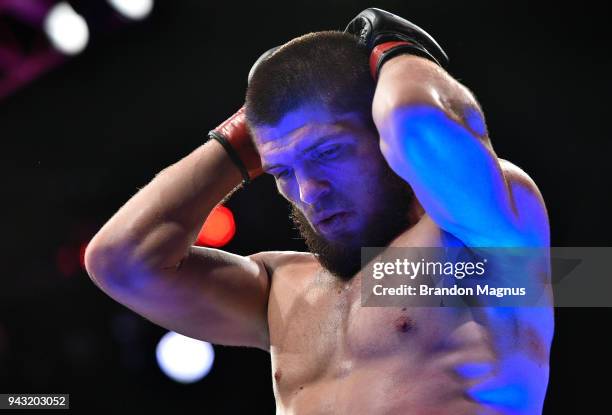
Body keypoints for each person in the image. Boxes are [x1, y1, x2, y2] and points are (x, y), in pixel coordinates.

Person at [84, 8, 554, 414]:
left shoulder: (479, 243)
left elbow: (417, 122)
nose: (308, 191)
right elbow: (118, 261)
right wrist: (244, 138)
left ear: (380, 134)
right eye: (282, 171)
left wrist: (396, 50)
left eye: (328, 153)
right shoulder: (280, 290)